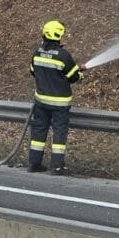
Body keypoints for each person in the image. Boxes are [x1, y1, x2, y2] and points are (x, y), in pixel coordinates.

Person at [27, 19, 81, 174]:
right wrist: (80, 74)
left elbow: (33, 71)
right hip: (60, 104)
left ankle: (34, 164)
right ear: (59, 36)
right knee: (59, 132)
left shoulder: (37, 52)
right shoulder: (63, 55)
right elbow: (73, 77)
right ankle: (57, 166)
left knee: (39, 131)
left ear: (44, 34)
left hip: (41, 102)